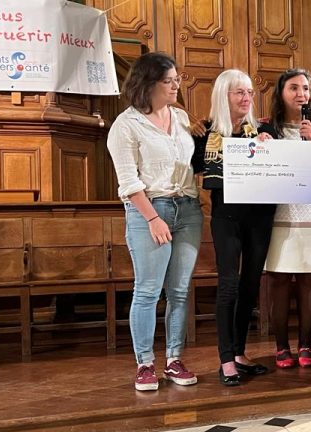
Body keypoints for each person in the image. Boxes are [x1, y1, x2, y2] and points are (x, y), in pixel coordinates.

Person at [107, 52, 203, 391]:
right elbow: (128, 182)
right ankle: (144, 363)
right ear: (148, 84)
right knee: (148, 291)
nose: (177, 85)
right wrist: (152, 218)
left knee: (179, 291)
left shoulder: (179, 118)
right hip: (150, 210)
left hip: (188, 209)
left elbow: (194, 159)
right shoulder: (126, 125)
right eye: (169, 80)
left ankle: (174, 359)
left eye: (177, 78)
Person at [191, 69, 275, 386]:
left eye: (250, 92)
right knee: (228, 284)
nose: (246, 98)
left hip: (260, 216)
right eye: (239, 92)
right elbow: (194, 166)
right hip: (226, 215)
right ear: (223, 95)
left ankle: (239, 352)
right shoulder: (206, 132)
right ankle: (226, 359)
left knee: (250, 285)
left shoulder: (264, 131)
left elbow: (279, 168)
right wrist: (190, 130)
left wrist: (270, 147)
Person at [262, 69, 311, 368]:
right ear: (281, 93)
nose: (301, 94)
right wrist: (260, 144)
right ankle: (281, 347)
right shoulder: (265, 126)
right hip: (280, 215)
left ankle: (306, 344)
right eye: (293, 88)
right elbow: (256, 168)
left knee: (310, 280)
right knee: (278, 281)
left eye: (305, 88)